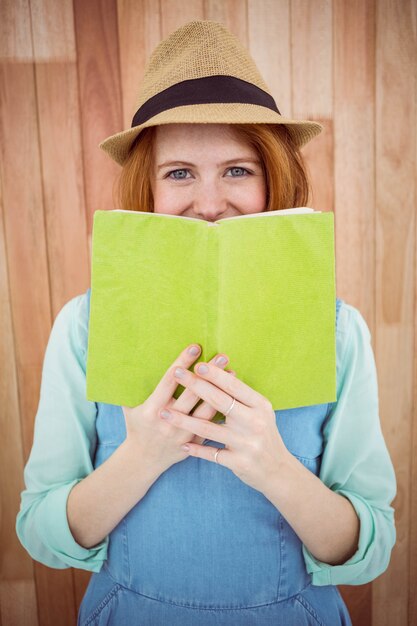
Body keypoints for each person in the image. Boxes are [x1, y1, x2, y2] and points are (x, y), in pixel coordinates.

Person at [16, 20, 396, 626]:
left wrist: (270, 463)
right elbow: (41, 531)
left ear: (275, 181)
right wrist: (145, 452)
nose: (211, 202)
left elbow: (367, 551)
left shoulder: (339, 332)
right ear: (148, 188)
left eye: (239, 170)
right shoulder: (84, 325)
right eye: (180, 172)